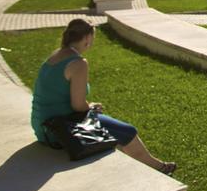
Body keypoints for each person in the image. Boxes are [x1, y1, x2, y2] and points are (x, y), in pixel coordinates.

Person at [30, 19, 175, 174]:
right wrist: (90, 107)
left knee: (112, 136)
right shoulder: (78, 63)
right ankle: (158, 167)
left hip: (41, 127)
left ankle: (138, 165)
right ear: (87, 38)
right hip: (60, 131)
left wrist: (89, 106)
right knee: (128, 132)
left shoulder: (55, 55)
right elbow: (78, 106)